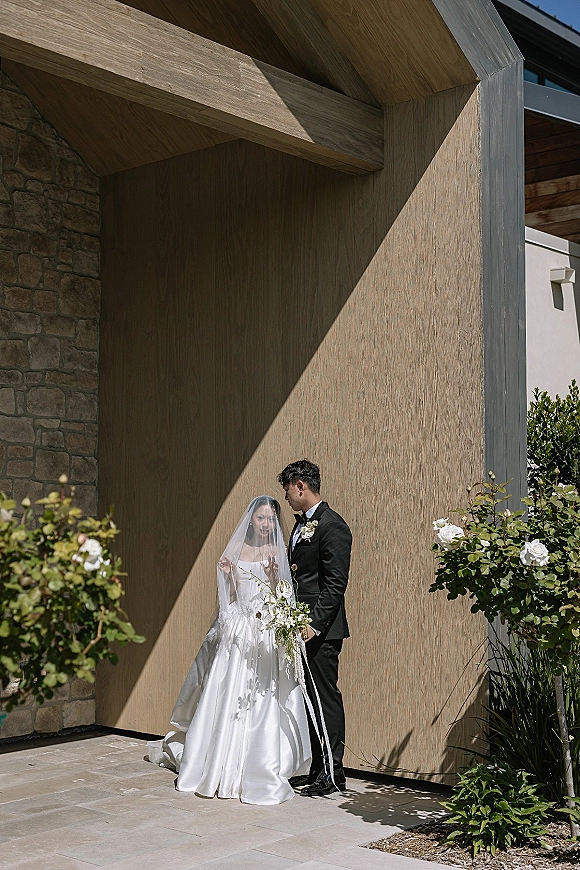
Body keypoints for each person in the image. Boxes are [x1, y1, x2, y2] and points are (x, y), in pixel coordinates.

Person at [148, 496, 311, 804]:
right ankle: (218, 760)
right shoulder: (238, 550)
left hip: (265, 632)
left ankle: (259, 764)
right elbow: (233, 597)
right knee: (227, 694)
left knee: (263, 700)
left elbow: (283, 597)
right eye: (261, 518)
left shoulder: (279, 550)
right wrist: (228, 577)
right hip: (241, 630)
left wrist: (276, 576)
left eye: (271, 520)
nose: (265, 524)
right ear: (251, 519)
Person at [278, 460, 352, 796]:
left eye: (288, 491)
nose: (288, 499)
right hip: (299, 626)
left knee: (326, 698)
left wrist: (314, 624)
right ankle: (316, 768)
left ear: (300, 485)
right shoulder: (299, 527)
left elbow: (335, 585)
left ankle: (334, 774)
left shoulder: (332, 526)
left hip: (321, 631)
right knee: (310, 699)